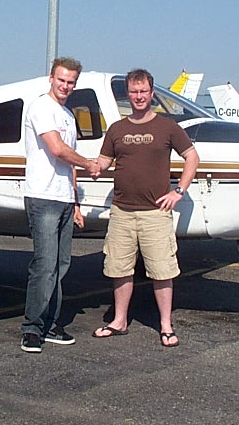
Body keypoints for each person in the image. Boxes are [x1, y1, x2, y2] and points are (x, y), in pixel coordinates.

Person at [92, 68, 199, 348]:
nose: (138, 96)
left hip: (155, 214)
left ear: (151, 93)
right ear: (128, 94)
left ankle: (166, 326)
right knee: (120, 268)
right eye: (134, 92)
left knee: (162, 271)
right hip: (122, 212)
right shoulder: (117, 129)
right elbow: (104, 160)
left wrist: (179, 191)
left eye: (143, 91)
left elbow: (192, 157)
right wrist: (93, 166)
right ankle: (119, 321)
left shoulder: (167, 127)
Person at [21, 57, 102, 353]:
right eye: (62, 80)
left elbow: (70, 167)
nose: (66, 86)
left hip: (65, 198)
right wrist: (91, 164)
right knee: (44, 265)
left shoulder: (68, 115)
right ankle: (31, 329)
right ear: (51, 79)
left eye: (71, 82)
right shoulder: (41, 107)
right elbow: (57, 150)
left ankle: (50, 324)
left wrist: (76, 202)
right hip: (42, 197)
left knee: (61, 264)